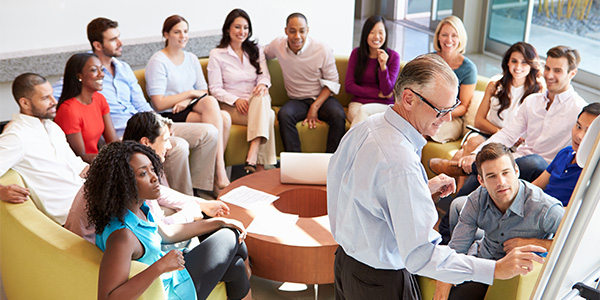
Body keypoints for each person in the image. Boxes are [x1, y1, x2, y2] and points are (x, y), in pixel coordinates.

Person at [327, 54, 545, 299]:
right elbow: (422, 256)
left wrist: (417, 191)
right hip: (379, 283)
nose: (449, 118)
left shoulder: (367, 126)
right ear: (409, 98)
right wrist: (495, 269)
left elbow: (346, 187)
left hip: (346, 264)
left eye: (452, 108)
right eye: (442, 110)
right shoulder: (401, 164)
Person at [436, 46, 588, 244]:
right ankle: (447, 234)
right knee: (487, 166)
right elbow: (507, 135)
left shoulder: (579, 110)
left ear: (572, 74)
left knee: (533, 161)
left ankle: (458, 176)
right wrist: (477, 154)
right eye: (547, 68)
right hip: (517, 164)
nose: (549, 75)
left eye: (557, 70)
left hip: (542, 171)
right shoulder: (532, 101)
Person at [53, 17, 219, 197]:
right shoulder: (86, 71)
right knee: (178, 146)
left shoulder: (123, 68)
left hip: (146, 124)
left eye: (119, 37)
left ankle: (201, 191)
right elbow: (58, 95)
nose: (120, 43)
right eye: (113, 39)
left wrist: (160, 125)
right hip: (126, 134)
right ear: (98, 45)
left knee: (209, 133)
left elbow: (142, 105)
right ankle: (184, 200)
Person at [88, 141, 251, 300]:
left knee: (236, 266)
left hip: (172, 276)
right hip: (172, 292)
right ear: (122, 183)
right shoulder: (122, 237)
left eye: (152, 169)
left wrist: (219, 222)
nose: (154, 177)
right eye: (143, 173)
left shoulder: (136, 211)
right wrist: (161, 267)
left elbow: (168, 234)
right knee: (230, 236)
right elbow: (107, 297)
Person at [64, 111, 231, 244]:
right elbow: (159, 232)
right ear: (145, 142)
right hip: (95, 254)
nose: (170, 145)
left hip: (92, 246)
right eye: (165, 140)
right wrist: (190, 213)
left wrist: (200, 203)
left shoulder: (123, 162)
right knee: (221, 238)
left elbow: (162, 194)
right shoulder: (132, 174)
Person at [447, 103, 600, 239]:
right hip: (527, 211)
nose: (579, 136)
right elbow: (536, 185)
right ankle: (449, 253)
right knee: (459, 205)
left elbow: (575, 214)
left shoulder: (594, 173)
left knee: (464, 212)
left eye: (587, 132)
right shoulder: (566, 153)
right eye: (578, 126)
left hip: (542, 223)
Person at [433, 143, 565, 300]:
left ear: (516, 171)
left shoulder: (545, 208)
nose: (501, 182)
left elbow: (578, 244)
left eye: (505, 172)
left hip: (517, 277)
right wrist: (440, 295)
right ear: (481, 181)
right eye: (492, 176)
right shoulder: (476, 199)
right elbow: (456, 250)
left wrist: (533, 242)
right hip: (484, 262)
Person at [145, 14, 231, 189]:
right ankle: (218, 176)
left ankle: (217, 173)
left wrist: (188, 100)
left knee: (218, 110)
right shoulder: (158, 61)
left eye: (185, 31)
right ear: (166, 34)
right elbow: (158, 103)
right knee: (223, 119)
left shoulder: (191, 58)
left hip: (188, 107)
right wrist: (190, 93)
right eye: (177, 32)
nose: (182, 36)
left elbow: (205, 92)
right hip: (168, 114)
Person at [430, 41, 543, 171]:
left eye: (524, 62)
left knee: (462, 156)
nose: (518, 66)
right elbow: (479, 121)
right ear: (507, 62)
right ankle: (460, 182)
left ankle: (453, 168)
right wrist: (500, 132)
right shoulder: (495, 84)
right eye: (514, 61)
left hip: (514, 143)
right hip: (486, 133)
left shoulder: (538, 92)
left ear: (531, 65)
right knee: (472, 143)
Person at [0, 73, 87, 225]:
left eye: (52, 95)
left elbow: (78, 167)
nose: (54, 102)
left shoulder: (52, 127)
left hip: (88, 199)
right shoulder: (16, 136)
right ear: (25, 103)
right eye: (45, 98)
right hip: (71, 216)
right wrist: (1, 191)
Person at [264, 12, 346, 153]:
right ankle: (295, 162)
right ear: (286, 31)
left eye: (302, 31)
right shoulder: (278, 45)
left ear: (307, 30)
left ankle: (331, 162)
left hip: (322, 98)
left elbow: (332, 83)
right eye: (292, 31)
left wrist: (314, 107)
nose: (297, 36)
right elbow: (262, 53)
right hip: (297, 100)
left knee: (338, 115)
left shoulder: (322, 49)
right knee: (284, 115)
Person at [208, 8, 276, 173]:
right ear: (228, 29)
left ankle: (253, 156)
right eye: (237, 27)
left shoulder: (256, 50)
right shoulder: (217, 54)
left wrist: (262, 85)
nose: (242, 32)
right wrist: (235, 100)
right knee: (270, 115)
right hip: (231, 107)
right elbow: (215, 88)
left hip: (255, 102)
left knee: (261, 96)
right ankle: (261, 167)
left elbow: (264, 76)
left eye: (245, 28)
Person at [55, 53, 119, 163]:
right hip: (85, 168)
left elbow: (112, 140)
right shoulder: (69, 110)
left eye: (102, 69)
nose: (101, 74)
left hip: (102, 160)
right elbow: (80, 157)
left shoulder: (99, 99)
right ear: (79, 76)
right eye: (94, 70)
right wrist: (113, 160)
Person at [345, 15, 401, 127]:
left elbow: (386, 91)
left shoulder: (393, 57)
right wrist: (376, 93)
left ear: (386, 34)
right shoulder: (356, 54)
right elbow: (349, 86)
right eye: (372, 32)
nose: (377, 37)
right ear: (366, 34)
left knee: (367, 124)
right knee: (363, 119)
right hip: (359, 104)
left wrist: (383, 66)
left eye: (381, 32)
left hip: (383, 105)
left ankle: (351, 145)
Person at [430, 15, 477, 143]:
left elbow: (463, 106)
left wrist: (439, 114)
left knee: (422, 130)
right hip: (427, 111)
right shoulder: (429, 60)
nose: (449, 40)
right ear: (438, 36)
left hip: (451, 118)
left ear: (460, 38)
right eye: (444, 35)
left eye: (454, 35)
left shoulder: (468, 68)